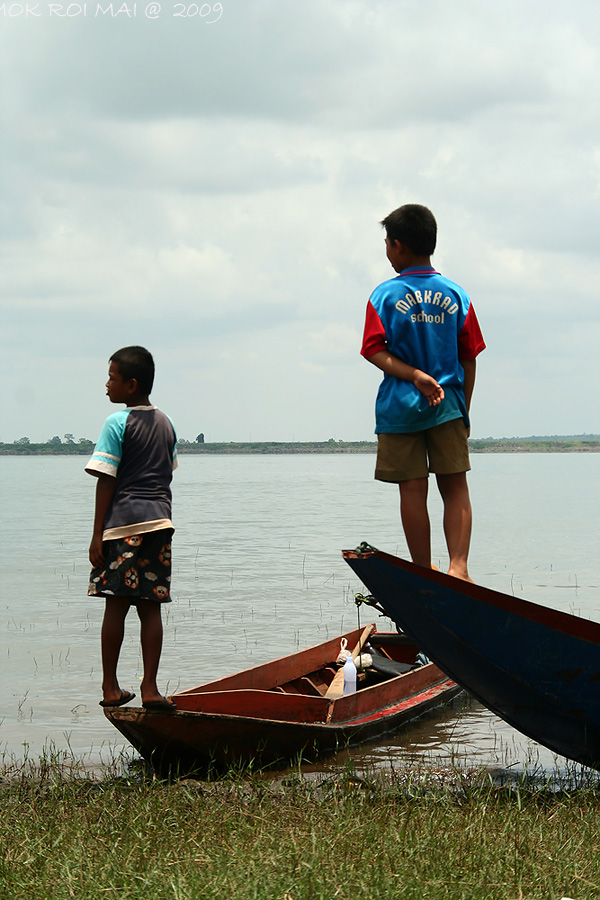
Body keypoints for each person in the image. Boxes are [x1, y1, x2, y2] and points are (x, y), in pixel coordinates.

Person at [361, 204, 485, 581]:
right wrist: (464, 409)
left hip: (400, 410)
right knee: (454, 484)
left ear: (398, 246)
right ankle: (458, 568)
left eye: (386, 242)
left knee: (412, 490)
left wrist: (414, 375)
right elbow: (469, 357)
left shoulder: (384, 296)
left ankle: (422, 570)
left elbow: (373, 349)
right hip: (448, 406)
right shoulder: (456, 294)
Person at [86, 346, 178, 710]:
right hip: (160, 523)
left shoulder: (117, 423)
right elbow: (167, 472)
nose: (107, 385)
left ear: (130, 385)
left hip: (123, 525)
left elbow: (106, 480)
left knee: (116, 605)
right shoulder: (166, 423)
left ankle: (111, 687)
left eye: (112, 378)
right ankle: (151, 689)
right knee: (150, 606)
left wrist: (97, 534)